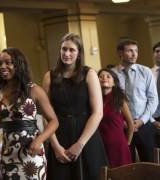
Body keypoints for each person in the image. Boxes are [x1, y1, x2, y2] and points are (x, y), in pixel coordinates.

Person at [0, 47, 59, 179]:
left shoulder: (34, 90)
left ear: (19, 64)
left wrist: (39, 140)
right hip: (7, 156)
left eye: (8, 62)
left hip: (31, 157)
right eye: (0, 63)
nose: (3, 67)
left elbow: (54, 121)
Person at [43, 33, 107, 180]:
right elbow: (46, 115)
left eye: (71, 50)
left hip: (86, 135)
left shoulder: (89, 74)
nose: (67, 53)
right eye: (64, 49)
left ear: (79, 53)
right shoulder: (49, 76)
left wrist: (80, 144)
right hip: (59, 135)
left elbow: (98, 113)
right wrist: (55, 146)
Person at [112, 39, 158, 162]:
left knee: (150, 163)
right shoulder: (112, 74)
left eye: (136, 51)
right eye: (130, 51)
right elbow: (111, 102)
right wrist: (123, 121)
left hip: (143, 124)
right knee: (127, 163)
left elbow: (153, 99)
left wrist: (142, 120)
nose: (134, 54)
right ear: (120, 53)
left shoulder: (146, 71)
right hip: (122, 126)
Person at [98, 68, 133, 167]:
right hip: (100, 146)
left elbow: (130, 124)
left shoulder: (119, 99)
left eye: (108, 76)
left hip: (119, 145)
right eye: (101, 76)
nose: (104, 78)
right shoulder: (94, 100)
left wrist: (127, 143)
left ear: (114, 83)